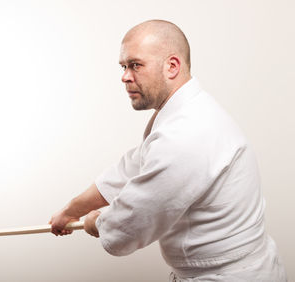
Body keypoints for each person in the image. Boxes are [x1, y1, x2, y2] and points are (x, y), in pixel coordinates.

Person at [49, 20, 287, 281]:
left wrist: (95, 223)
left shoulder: (187, 134)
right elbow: (130, 169)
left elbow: (129, 226)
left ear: (172, 66)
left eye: (135, 65)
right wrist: (71, 211)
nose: (124, 76)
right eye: (123, 66)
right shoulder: (184, 114)